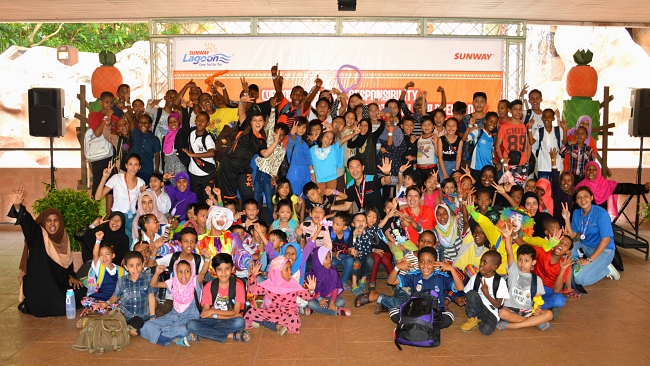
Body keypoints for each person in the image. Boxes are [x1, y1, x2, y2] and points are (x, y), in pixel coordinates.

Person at [10, 185, 85, 317]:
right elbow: (28, 223)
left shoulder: (64, 237)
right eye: (48, 221)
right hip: (40, 285)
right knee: (61, 307)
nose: (52, 224)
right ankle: (28, 304)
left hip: (59, 282)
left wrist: (71, 276)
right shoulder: (38, 236)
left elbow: (66, 265)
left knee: (81, 292)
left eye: (56, 221)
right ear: (44, 222)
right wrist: (18, 206)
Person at [356, 246, 462, 328]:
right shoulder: (414, 275)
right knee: (395, 314)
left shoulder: (441, 276)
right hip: (417, 310)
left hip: (436, 312)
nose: (425, 265)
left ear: (435, 263)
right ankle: (421, 323)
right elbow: (391, 281)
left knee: (448, 318)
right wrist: (397, 267)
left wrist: (452, 269)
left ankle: (416, 323)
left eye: (430, 262)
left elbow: (460, 288)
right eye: (422, 262)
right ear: (418, 262)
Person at [220, 99, 281, 204]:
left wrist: (275, 142)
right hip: (229, 165)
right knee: (229, 198)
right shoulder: (245, 128)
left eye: (260, 120)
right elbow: (241, 112)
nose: (257, 122)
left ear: (263, 122)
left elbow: (265, 154)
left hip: (244, 168)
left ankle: (251, 219)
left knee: (249, 197)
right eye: (255, 120)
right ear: (251, 122)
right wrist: (242, 102)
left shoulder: (261, 139)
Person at [495, 224, 553, 331]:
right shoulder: (513, 270)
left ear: (533, 262)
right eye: (520, 260)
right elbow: (509, 253)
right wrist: (508, 237)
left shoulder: (537, 279)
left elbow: (537, 299)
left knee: (549, 314)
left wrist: (538, 310)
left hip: (528, 311)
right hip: (511, 309)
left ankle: (514, 325)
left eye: (526, 261)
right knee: (502, 313)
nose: (522, 264)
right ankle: (534, 323)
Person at [142, 257, 208, 347]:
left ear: (191, 272)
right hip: (173, 315)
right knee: (147, 325)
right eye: (180, 272)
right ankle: (176, 339)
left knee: (184, 329)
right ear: (176, 273)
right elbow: (154, 284)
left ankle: (163, 336)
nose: (183, 275)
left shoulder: (195, 282)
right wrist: (157, 273)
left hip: (190, 318)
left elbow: (203, 273)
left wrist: (207, 260)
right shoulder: (173, 283)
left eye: (187, 271)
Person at [562, 187, 620, 286]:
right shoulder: (576, 213)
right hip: (584, 247)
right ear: (576, 200)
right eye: (579, 197)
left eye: (585, 196)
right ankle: (584, 263)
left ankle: (606, 270)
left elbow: (606, 240)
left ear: (592, 197)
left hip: (604, 250)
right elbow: (573, 235)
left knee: (580, 280)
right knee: (562, 254)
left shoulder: (601, 214)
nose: (582, 199)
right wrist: (567, 219)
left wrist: (589, 260)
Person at [186, 253, 249, 343]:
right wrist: (215, 314)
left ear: (233, 269)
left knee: (239, 322)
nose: (223, 273)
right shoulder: (209, 286)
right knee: (190, 324)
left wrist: (213, 312)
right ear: (214, 271)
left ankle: (203, 333)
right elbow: (205, 313)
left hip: (229, 320)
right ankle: (231, 335)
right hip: (213, 320)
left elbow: (235, 312)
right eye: (219, 269)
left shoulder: (238, 286)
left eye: (227, 269)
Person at [245, 257, 317, 335]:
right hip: (273, 312)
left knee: (293, 319)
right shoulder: (270, 284)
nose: (290, 272)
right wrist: (253, 276)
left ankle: (269, 324)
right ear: (277, 272)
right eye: (287, 269)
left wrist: (311, 290)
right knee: (251, 311)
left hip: (289, 313)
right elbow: (253, 290)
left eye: (290, 268)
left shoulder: (292, 284)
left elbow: (307, 297)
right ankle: (277, 326)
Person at [98, 251, 156, 336]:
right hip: (124, 312)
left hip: (140, 315)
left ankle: (122, 329)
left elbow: (151, 297)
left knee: (133, 332)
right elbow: (116, 296)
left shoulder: (149, 278)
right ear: (126, 267)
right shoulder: (122, 281)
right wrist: (107, 303)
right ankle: (120, 327)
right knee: (107, 323)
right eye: (131, 266)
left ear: (143, 264)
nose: (135, 269)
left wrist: (152, 317)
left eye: (138, 265)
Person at [95, 154, 147, 243]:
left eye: (136, 165)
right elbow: (97, 197)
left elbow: (144, 203)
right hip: (117, 217)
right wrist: (104, 177)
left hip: (132, 218)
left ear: (139, 167)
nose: (133, 167)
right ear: (126, 165)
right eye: (130, 164)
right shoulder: (116, 178)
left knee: (141, 237)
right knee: (127, 239)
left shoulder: (141, 182)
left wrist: (142, 194)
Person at [459, 250, 509, 335]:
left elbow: (498, 305)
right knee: (471, 293)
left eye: (485, 262)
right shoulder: (475, 277)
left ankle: (481, 319)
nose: (481, 264)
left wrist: (486, 294)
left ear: (494, 267)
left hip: (491, 310)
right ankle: (472, 318)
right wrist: (462, 299)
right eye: (481, 261)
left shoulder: (500, 282)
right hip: (477, 307)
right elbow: (467, 293)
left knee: (486, 330)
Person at [575, 161, 650, 216]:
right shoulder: (581, 186)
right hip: (585, 221)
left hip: (601, 219)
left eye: (594, 169)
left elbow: (625, 188)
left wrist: (643, 187)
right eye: (588, 169)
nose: (591, 171)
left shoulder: (606, 185)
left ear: (598, 171)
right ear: (585, 171)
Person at [88, 91, 118, 204]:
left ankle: (109, 216)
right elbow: (97, 133)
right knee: (98, 182)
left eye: (111, 102)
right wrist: (107, 117)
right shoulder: (94, 115)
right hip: (99, 155)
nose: (109, 105)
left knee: (111, 184)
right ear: (101, 102)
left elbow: (116, 135)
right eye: (106, 102)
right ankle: (93, 214)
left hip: (112, 154)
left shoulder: (115, 118)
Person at [304, 247, 351, 316]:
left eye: (330, 257)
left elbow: (335, 288)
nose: (329, 260)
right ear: (318, 260)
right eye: (326, 258)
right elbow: (310, 291)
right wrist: (319, 298)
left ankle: (315, 309)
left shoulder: (333, 271)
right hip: (316, 298)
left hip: (329, 298)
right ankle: (336, 311)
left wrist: (332, 300)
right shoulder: (312, 274)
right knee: (309, 302)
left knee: (342, 301)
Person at [183, 111, 216, 204]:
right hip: (193, 173)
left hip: (207, 174)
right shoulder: (192, 133)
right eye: (198, 120)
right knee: (195, 200)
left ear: (207, 123)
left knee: (208, 201)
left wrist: (193, 155)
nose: (200, 123)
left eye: (203, 121)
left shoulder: (207, 138)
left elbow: (212, 153)